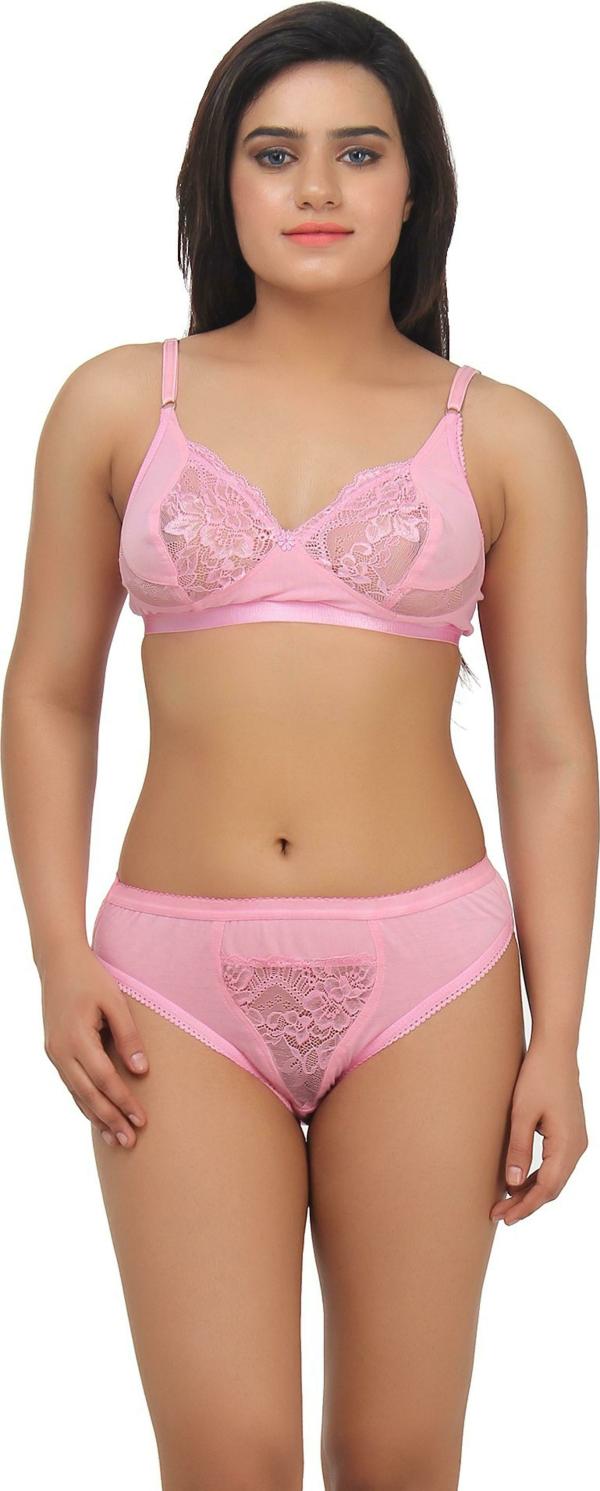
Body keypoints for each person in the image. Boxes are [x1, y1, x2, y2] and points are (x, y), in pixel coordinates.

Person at [2, 5, 595, 1490]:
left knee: (399, 1462)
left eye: (358, 153)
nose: (317, 187)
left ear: (416, 186)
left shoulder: (510, 438)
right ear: (222, 182)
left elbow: (548, 744)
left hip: (436, 978)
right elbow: (50, 694)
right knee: (229, 1462)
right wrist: (57, 958)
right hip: (170, 986)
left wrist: (561, 1036)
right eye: (274, 154)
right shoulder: (114, 403)